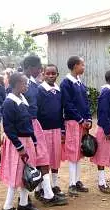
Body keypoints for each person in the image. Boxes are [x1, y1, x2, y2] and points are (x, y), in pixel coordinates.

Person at [23, 55, 67, 206]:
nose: (41, 71)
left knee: (43, 160)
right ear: (31, 68)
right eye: (39, 68)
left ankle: (44, 192)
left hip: (36, 127)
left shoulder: (34, 84)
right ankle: (37, 195)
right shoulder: (25, 84)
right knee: (36, 161)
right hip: (32, 128)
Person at [0, 72, 40, 210]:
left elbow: (28, 123)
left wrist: (33, 141)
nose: (27, 85)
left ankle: (23, 204)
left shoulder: (22, 98)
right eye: (24, 83)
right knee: (15, 176)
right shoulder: (9, 102)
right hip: (18, 143)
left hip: (26, 141)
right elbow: (9, 128)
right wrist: (19, 146)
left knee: (26, 174)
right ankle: (7, 207)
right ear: (16, 84)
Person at [60, 56, 92, 197]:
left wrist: (89, 118)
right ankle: (72, 184)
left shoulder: (79, 83)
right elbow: (68, 105)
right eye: (82, 65)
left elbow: (86, 103)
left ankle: (77, 181)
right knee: (73, 153)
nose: (84, 67)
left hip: (82, 122)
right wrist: (80, 119)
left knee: (79, 153)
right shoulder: (66, 83)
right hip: (73, 122)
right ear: (75, 66)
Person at [37, 64, 65, 197]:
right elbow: (37, 112)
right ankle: (41, 188)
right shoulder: (40, 90)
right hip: (43, 130)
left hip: (57, 129)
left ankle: (54, 185)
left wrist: (63, 130)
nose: (50, 76)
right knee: (44, 159)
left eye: (53, 73)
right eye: (48, 73)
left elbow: (61, 112)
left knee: (55, 157)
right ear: (43, 74)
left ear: (57, 74)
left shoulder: (59, 91)